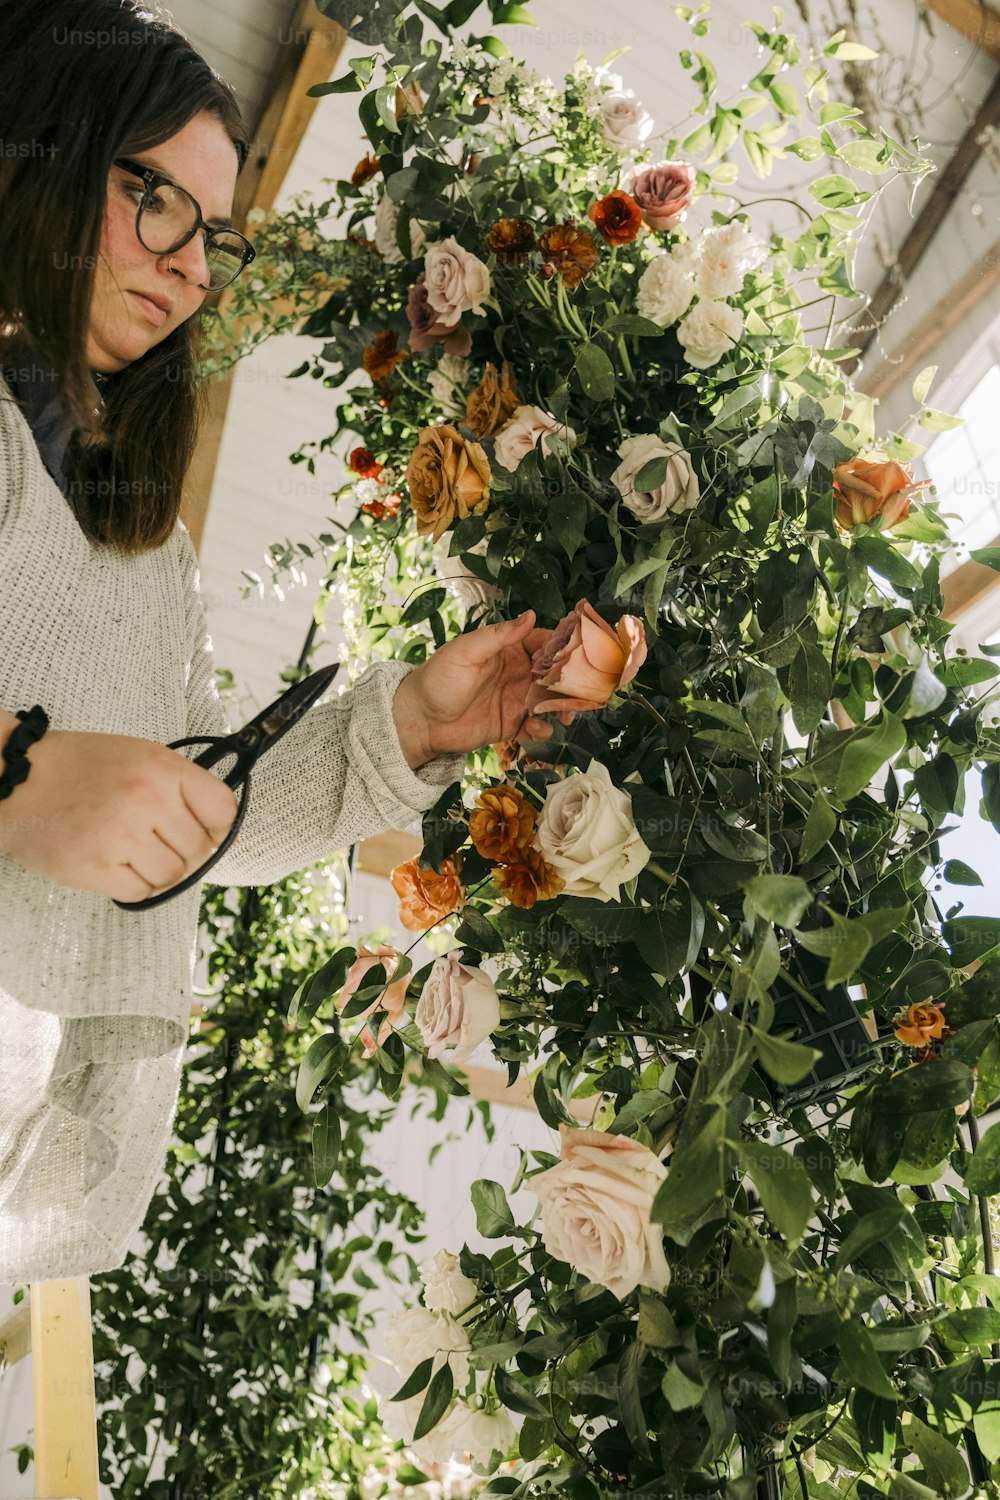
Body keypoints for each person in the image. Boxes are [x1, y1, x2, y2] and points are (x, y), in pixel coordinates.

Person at [0, 0, 555, 1283]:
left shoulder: (143, 547)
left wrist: (412, 724)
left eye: (214, 235)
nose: (194, 271)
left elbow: (203, 810)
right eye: (158, 204)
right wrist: (18, 773)